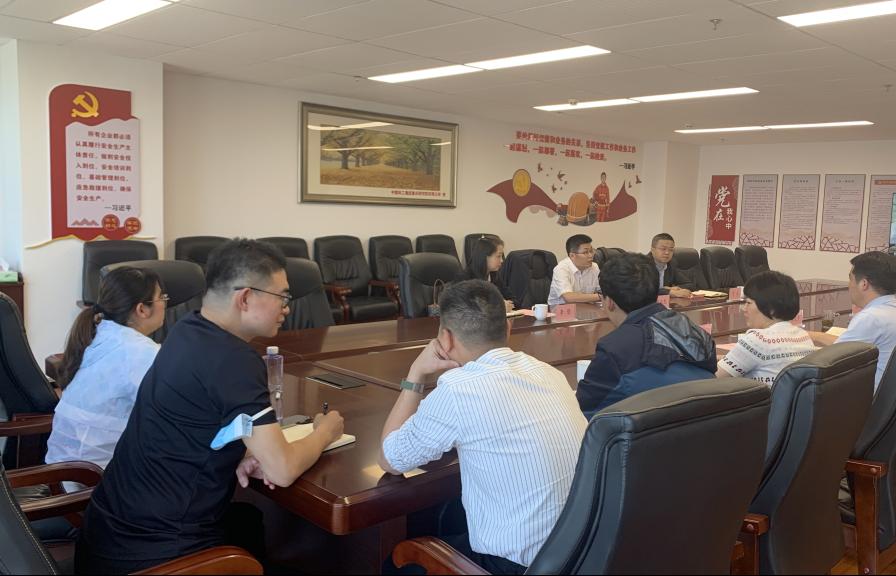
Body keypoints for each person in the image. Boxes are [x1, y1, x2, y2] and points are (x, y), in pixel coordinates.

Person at [76, 239, 345, 575]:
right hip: (157, 557)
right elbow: (282, 470)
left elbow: (197, 422)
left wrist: (244, 452)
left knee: (248, 521)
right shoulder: (233, 359)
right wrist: (324, 432)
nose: (287, 308)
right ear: (245, 298)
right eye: (283, 297)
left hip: (106, 539)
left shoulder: (187, 330)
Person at [378, 280, 587, 574]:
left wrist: (416, 373)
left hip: (516, 566)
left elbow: (390, 459)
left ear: (445, 338)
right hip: (579, 555)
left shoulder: (459, 389)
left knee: (397, 562)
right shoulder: (547, 372)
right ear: (509, 328)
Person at [46, 267, 166, 470]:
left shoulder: (98, 333)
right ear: (142, 309)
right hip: (93, 478)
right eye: (161, 297)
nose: (165, 303)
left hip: (62, 471)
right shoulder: (140, 352)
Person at [576, 253, 716, 418]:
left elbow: (583, 410)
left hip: (653, 430)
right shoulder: (694, 330)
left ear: (609, 302)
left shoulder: (614, 348)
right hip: (706, 423)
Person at [808, 251, 896, 391]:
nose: (849, 285)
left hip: (867, 398)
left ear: (863, 284)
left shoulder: (871, 318)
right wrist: (812, 335)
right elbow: (843, 345)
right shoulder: (895, 311)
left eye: (850, 279)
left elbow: (832, 360)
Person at [717, 271, 816, 387]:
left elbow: (713, 378)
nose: (744, 308)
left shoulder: (758, 339)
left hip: (763, 399)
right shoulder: (802, 335)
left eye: (748, 303)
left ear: (771, 309)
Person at [459, 237, 515, 311]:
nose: (502, 260)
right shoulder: (466, 279)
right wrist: (498, 306)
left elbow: (512, 299)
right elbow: (468, 308)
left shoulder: (494, 276)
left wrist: (508, 304)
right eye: (498, 256)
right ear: (484, 257)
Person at [547, 234, 601, 306]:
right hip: (560, 310)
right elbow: (569, 297)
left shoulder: (594, 267)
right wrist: (601, 297)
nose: (591, 255)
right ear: (572, 256)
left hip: (585, 308)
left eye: (591, 251)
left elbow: (602, 290)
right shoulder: (561, 269)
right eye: (585, 252)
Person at [648, 233, 694, 298]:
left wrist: (673, 288)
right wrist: (670, 292)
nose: (667, 253)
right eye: (663, 249)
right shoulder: (641, 265)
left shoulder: (671, 264)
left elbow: (690, 284)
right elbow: (644, 290)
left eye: (671, 250)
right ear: (652, 250)